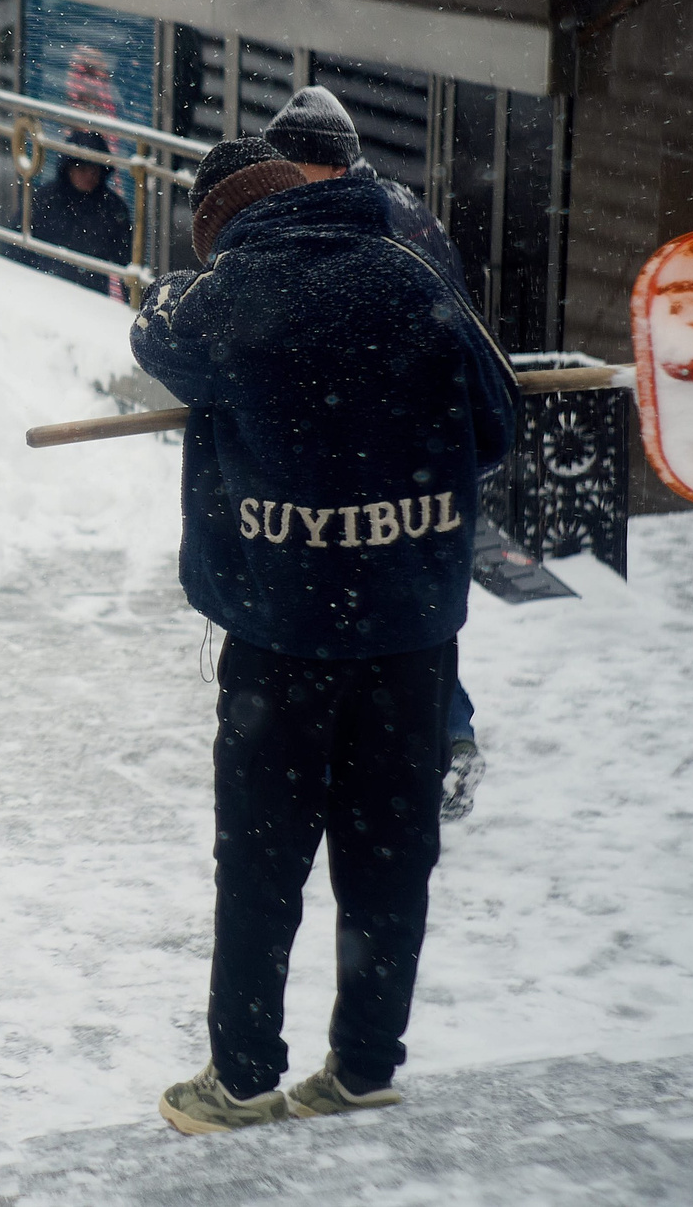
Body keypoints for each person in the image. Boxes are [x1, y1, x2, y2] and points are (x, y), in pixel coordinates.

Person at [132, 135, 515, 1134]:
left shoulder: (224, 294)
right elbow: (498, 422)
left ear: (221, 222)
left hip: (284, 638)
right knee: (390, 858)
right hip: (412, 635)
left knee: (260, 865)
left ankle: (243, 1075)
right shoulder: (409, 272)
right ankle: (361, 1066)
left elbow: (152, 329)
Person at [263, 84, 487, 822]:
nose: (279, 187)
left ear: (319, 165)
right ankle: (440, 741)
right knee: (418, 609)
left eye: (286, 169)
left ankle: (430, 749)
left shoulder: (364, 229)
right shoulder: (403, 212)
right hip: (420, 451)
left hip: (382, 452)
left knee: (392, 609)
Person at [28, 129, 134, 293]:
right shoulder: (45, 199)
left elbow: (127, 265)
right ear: (68, 169)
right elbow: (17, 244)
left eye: (95, 170)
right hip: (44, 289)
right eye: (82, 169)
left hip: (91, 297)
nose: (90, 175)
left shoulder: (113, 208)